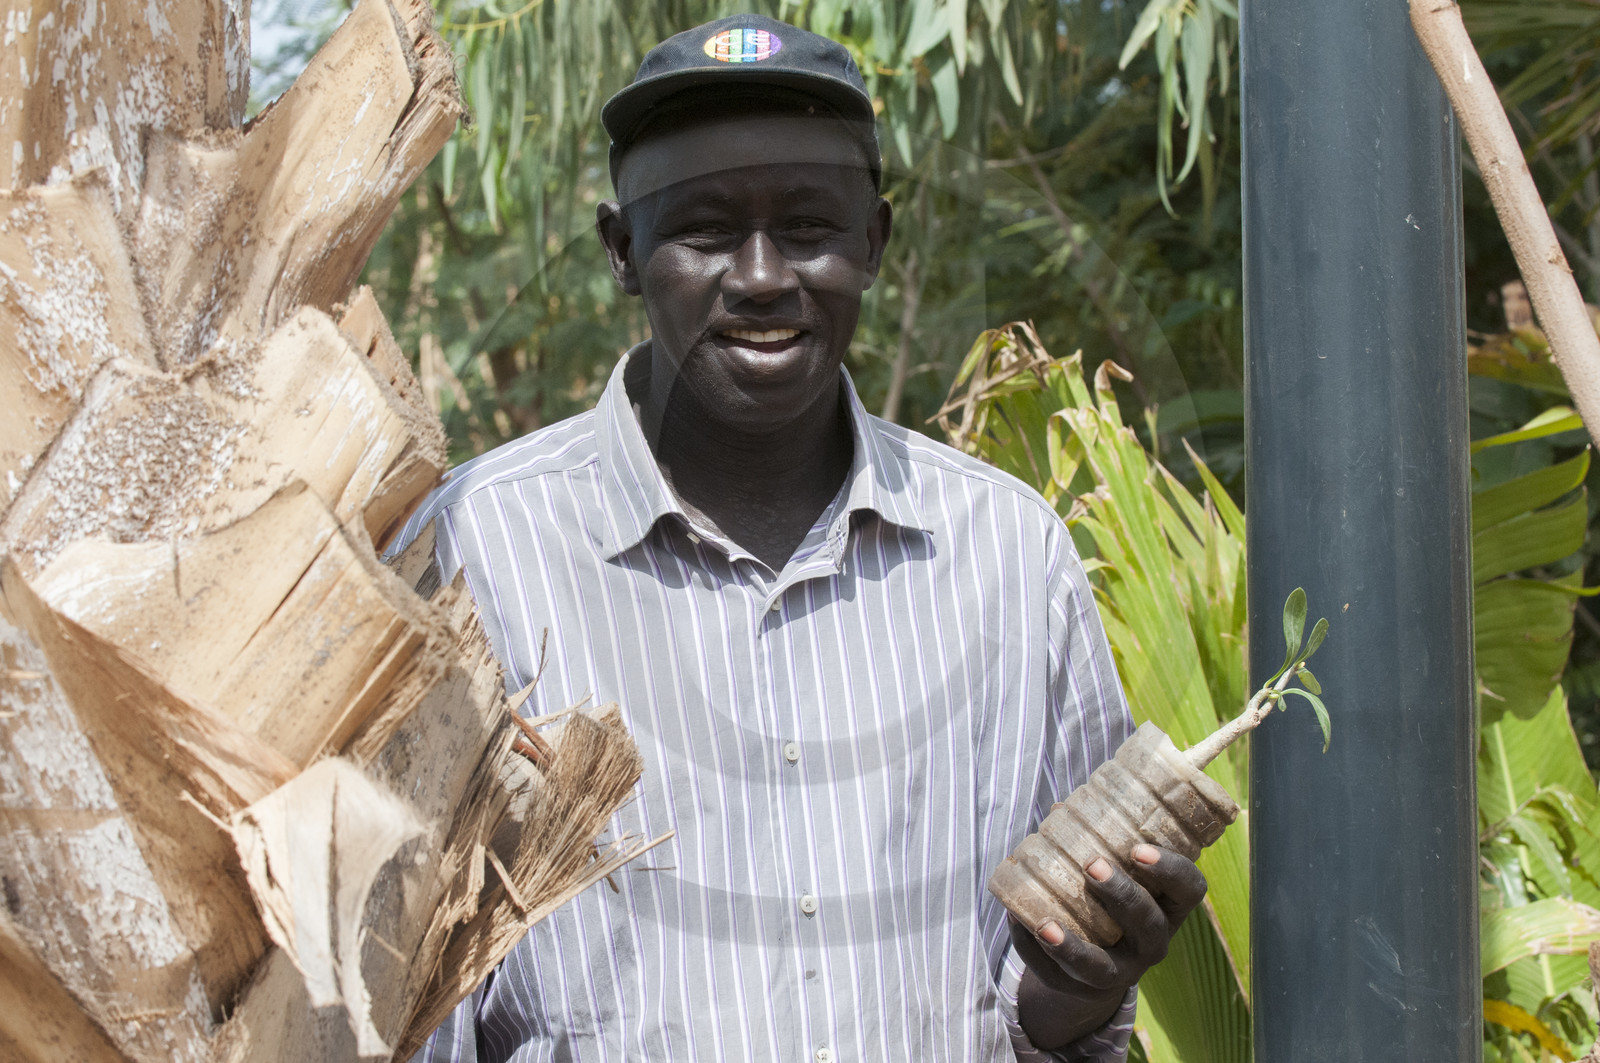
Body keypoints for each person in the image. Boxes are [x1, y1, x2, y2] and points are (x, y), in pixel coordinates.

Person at [395, 14, 1206, 1062]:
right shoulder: (475, 549)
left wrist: (1072, 989)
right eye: (704, 231)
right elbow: (411, 1007)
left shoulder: (1009, 553)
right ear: (623, 251)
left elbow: (1060, 1019)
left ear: (873, 242)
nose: (763, 275)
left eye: (810, 228)